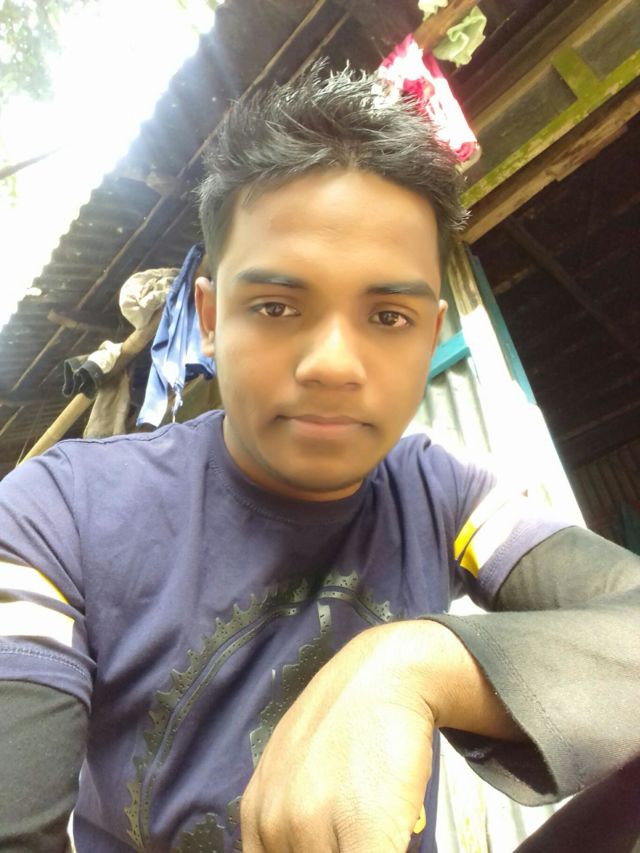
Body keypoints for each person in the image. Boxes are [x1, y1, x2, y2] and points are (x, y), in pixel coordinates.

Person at [0, 65, 638, 853]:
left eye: (389, 315)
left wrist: (416, 662)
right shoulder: (56, 515)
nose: (334, 363)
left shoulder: (442, 493)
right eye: (276, 306)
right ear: (209, 320)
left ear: (432, 333)